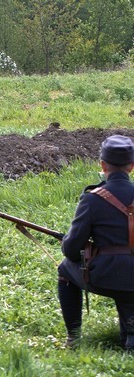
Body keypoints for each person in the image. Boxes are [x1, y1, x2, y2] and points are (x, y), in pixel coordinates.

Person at [58, 135, 134, 349]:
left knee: (65, 270)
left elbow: (71, 251)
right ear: (132, 166)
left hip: (107, 277)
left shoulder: (92, 199)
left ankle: (73, 337)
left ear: (102, 165)